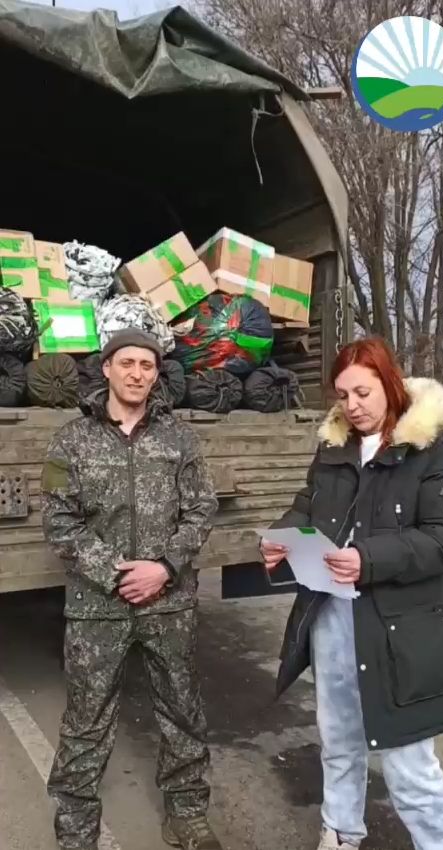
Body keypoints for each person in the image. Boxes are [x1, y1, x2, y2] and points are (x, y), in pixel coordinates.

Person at [261, 337, 443, 850]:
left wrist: (369, 559)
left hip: (403, 629)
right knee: (338, 741)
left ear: (390, 384)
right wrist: (283, 537)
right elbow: (307, 505)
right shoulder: (334, 447)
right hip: (333, 616)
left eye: (363, 392)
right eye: (342, 395)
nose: (352, 406)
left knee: (408, 761)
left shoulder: (435, 450)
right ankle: (340, 832)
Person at [41, 329, 221, 850]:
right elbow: (59, 521)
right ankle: (76, 831)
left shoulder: (179, 438)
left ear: (156, 373)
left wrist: (164, 567)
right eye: (127, 363)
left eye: (147, 365)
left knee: (182, 709)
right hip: (97, 606)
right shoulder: (71, 440)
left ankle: (187, 814)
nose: (137, 373)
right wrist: (118, 573)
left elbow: (201, 510)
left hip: (169, 603)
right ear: (107, 368)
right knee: (86, 720)